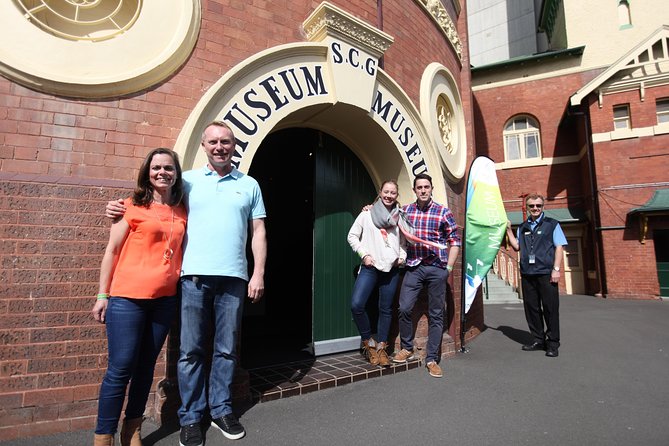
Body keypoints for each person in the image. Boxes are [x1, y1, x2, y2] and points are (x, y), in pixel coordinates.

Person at [106, 121, 267, 445]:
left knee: (226, 350)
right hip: (192, 278)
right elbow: (154, 199)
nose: (220, 146)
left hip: (234, 278)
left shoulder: (249, 184)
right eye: (213, 142)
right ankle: (191, 418)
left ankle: (221, 409)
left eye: (226, 141)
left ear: (234, 146)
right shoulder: (188, 182)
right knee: (190, 350)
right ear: (204, 146)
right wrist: (119, 207)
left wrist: (258, 272)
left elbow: (258, 231)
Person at [92, 148, 187, 446]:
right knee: (120, 368)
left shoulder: (181, 209)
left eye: (168, 168)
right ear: (147, 172)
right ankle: (103, 435)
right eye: (156, 167)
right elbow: (111, 251)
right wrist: (102, 294)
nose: (162, 173)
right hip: (127, 299)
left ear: (176, 173)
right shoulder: (130, 206)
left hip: (164, 300)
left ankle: (132, 429)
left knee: (146, 368)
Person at [391, 173, 460, 379]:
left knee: (436, 314)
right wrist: (369, 209)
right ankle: (407, 347)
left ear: (431, 189)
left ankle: (431, 359)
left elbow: (454, 241)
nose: (423, 190)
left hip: (436, 268)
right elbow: (384, 219)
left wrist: (447, 268)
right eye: (419, 187)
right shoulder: (406, 211)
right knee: (404, 307)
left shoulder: (443, 212)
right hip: (413, 267)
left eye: (426, 187)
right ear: (414, 190)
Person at [347, 180, 407, 367]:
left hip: (391, 270)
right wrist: (364, 254)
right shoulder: (367, 214)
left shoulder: (401, 218)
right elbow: (352, 236)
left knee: (386, 309)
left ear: (397, 195)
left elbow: (404, 243)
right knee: (357, 305)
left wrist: (402, 257)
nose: (389, 195)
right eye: (386, 191)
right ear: (380, 192)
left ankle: (382, 350)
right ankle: (369, 344)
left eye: (393, 193)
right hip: (370, 268)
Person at [506, 193, 566, 358]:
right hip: (528, 274)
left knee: (550, 309)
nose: (535, 208)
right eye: (532, 206)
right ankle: (538, 339)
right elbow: (517, 247)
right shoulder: (523, 227)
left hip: (546, 273)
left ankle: (553, 343)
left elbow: (559, 247)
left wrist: (556, 269)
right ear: (527, 207)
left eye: (538, 206)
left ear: (543, 207)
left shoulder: (552, 224)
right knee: (531, 309)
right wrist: (509, 231)